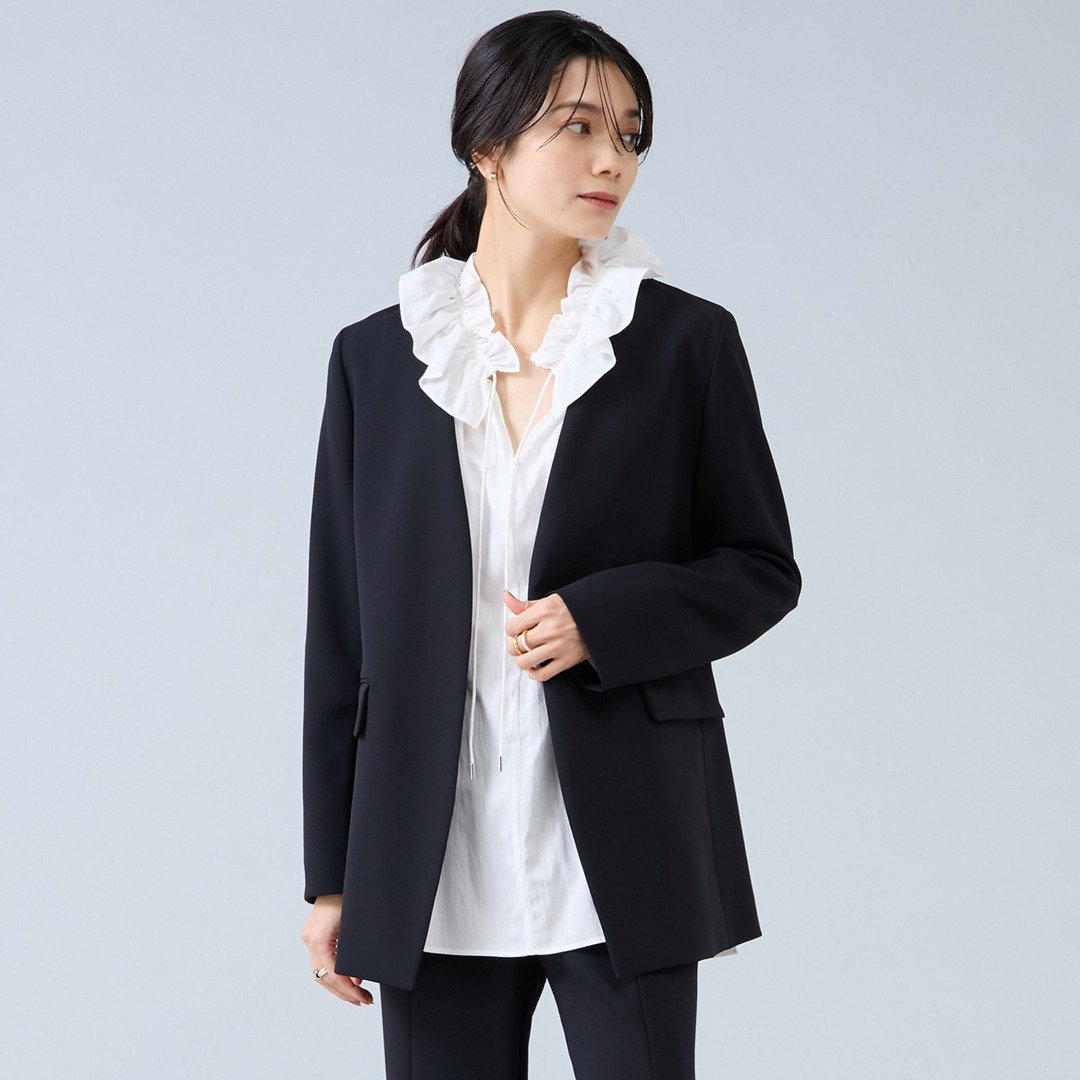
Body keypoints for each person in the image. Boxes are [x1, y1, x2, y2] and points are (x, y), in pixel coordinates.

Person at [300, 10, 801, 1079]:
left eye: (631, 135)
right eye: (578, 126)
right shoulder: (376, 362)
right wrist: (332, 878)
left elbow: (761, 568)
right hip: (430, 857)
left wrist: (603, 620)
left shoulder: (683, 343)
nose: (613, 159)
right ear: (487, 145)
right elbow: (340, 632)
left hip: (621, 844)